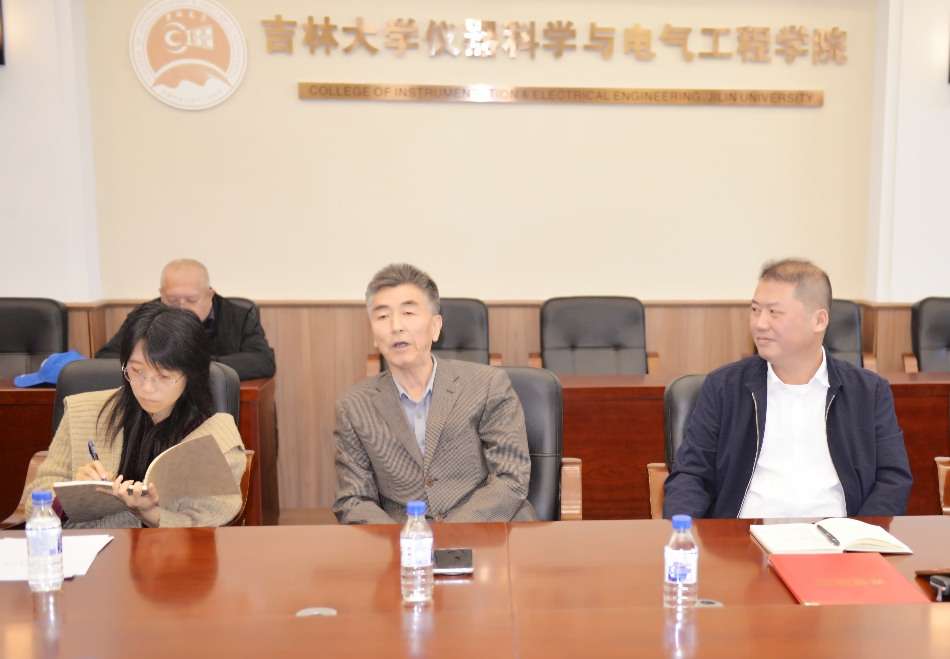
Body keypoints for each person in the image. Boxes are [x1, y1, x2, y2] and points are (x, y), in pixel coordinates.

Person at [663, 258, 912, 519]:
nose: (760, 323)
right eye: (755, 310)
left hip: (839, 538)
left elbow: (892, 480)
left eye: (774, 312)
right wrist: (681, 532)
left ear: (819, 320)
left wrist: (858, 535)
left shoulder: (868, 392)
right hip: (743, 537)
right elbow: (691, 476)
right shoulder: (724, 388)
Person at [333, 263, 538, 524]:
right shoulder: (353, 407)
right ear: (373, 333)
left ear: (435, 326)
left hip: (490, 529)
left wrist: (448, 535)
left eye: (408, 312)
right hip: (404, 539)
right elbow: (353, 500)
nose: (396, 326)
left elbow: (511, 477)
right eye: (382, 316)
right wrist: (407, 539)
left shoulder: (488, 384)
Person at [26, 302, 246, 528]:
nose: (146, 387)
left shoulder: (216, 438)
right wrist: (72, 493)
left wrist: (150, 515)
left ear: (191, 374)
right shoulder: (84, 412)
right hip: (90, 546)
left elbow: (213, 516)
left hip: (170, 548)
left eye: (164, 376)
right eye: (137, 370)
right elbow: (34, 502)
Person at [95, 259, 276, 381]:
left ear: (210, 294)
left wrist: (192, 364)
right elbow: (105, 357)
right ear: (161, 294)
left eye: (191, 300)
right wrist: (155, 366)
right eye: (172, 300)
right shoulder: (144, 316)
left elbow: (263, 361)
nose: (181, 308)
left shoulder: (238, 318)